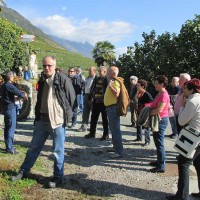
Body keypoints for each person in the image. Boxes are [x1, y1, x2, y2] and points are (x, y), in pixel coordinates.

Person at [11, 56, 76, 188]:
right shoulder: (42, 79)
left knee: (58, 151)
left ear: (54, 65)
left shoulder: (62, 79)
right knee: (33, 147)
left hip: (57, 121)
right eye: (45, 65)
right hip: (42, 120)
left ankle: (58, 177)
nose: (47, 68)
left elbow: (72, 98)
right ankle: (24, 171)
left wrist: (64, 116)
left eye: (49, 65)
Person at [166, 79, 200, 200]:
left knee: (183, 164)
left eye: (185, 88)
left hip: (192, 137)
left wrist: (182, 107)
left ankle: (182, 196)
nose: (183, 90)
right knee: (198, 163)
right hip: (198, 137)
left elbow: (181, 121)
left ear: (191, 89)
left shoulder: (192, 101)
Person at [0, 70, 27, 154]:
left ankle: (8, 145)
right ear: (10, 77)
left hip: (6, 108)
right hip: (11, 108)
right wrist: (24, 95)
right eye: (13, 76)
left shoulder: (3, 85)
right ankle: (10, 148)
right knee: (11, 128)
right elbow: (20, 94)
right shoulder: (9, 85)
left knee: (7, 128)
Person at [149, 75, 170, 173]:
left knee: (159, 143)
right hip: (159, 120)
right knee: (158, 143)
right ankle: (159, 161)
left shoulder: (163, 95)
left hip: (160, 121)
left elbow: (159, 110)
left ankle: (161, 166)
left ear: (162, 84)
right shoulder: (160, 94)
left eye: (156, 83)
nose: (154, 85)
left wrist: (147, 113)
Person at [85, 66, 109, 140]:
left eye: (100, 71)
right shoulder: (97, 79)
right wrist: (90, 95)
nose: (99, 72)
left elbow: (107, 90)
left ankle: (105, 134)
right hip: (96, 101)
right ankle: (92, 133)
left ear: (105, 72)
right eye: (99, 71)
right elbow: (93, 87)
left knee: (104, 119)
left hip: (103, 102)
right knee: (93, 117)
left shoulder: (106, 80)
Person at [104, 66, 123, 158]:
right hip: (110, 108)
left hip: (113, 108)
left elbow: (116, 93)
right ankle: (116, 148)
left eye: (108, 71)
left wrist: (110, 85)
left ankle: (118, 151)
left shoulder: (115, 82)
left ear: (113, 73)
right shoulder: (112, 81)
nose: (107, 73)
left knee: (115, 130)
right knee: (113, 129)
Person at [77, 66, 97, 132]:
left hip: (92, 97)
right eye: (89, 70)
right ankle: (84, 126)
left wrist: (93, 96)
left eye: (90, 70)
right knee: (85, 112)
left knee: (94, 113)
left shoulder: (96, 79)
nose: (89, 72)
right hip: (86, 95)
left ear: (94, 71)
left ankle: (93, 128)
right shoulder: (88, 78)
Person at [134, 79, 153, 146]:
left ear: (143, 86)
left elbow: (151, 102)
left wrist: (144, 107)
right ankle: (139, 138)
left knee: (146, 126)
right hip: (139, 111)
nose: (137, 86)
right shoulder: (139, 93)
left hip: (145, 112)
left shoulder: (147, 94)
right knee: (138, 124)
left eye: (138, 85)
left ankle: (147, 141)